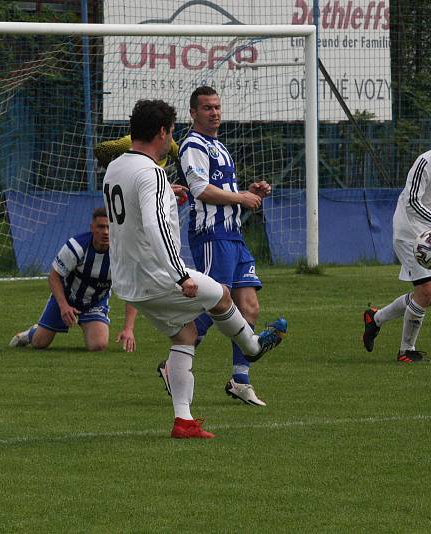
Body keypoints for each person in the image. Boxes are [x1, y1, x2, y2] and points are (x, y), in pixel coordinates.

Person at [102, 98, 287, 439]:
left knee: (185, 335)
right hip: (157, 275)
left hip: (127, 280)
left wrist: (166, 194)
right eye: (170, 133)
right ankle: (252, 347)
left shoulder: (117, 167)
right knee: (222, 295)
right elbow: (157, 230)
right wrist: (180, 275)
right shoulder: (152, 173)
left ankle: (183, 421)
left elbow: (129, 208)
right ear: (162, 132)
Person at [157, 86, 273, 406]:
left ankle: (240, 379)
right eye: (207, 107)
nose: (215, 112)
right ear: (193, 113)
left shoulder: (219, 146)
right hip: (211, 236)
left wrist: (248, 191)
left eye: (217, 107)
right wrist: (241, 198)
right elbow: (201, 190)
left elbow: (222, 190)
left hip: (233, 235)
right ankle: (172, 366)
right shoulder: (193, 144)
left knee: (249, 306)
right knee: (212, 301)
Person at [362, 111, 431, 362]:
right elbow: (412, 201)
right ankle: (406, 351)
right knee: (428, 293)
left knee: (427, 295)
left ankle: (375, 318)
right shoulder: (426, 161)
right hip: (409, 230)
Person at [9, 207, 138, 353]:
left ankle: (89, 322)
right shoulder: (76, 246)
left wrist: (128, 329)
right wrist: (63, 306)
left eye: (109, 227)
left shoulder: (123, 253)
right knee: (39, 343)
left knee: (98, 345)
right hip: (66, 297)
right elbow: (54, 276)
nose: (106, 232)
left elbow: (132, 290)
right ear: (92, 228)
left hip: (94, 302)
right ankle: (32, 332)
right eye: (101, 227)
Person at [95, 134, 179, 168]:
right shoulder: (129, 142)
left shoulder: (168, 143)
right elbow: (100, 149)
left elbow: (180, 158)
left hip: (156, 185)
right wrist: (111, 167)